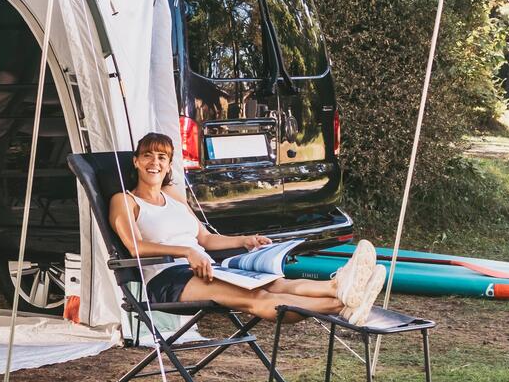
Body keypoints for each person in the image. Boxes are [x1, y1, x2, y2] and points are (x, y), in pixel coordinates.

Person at [108, 131, 384, 325]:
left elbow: (205, 238)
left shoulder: (175, 197)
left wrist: (245, 241)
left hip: (203, 266)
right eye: (147, 156)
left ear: (168, 164)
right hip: (167, 278)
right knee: (258, 297)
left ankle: (339, 287)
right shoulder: (125, 200)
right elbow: (135, 246)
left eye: (161, 157)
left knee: (276, 283)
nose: (154, 162)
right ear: (136, 161)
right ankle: (343, 307)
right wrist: (186, 253)